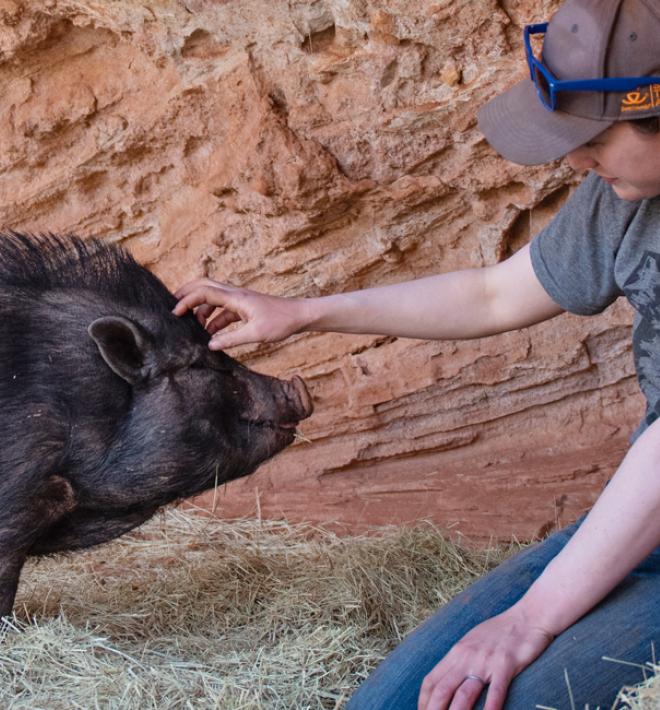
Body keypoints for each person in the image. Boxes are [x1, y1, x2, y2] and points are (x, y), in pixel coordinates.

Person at [173, 0, 660, 706]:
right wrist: (308, 312)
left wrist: (527, 622)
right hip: (642, 520)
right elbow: (495, 295)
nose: (575, 159)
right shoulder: (627, 195)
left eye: (595, 138)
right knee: (396, 700)